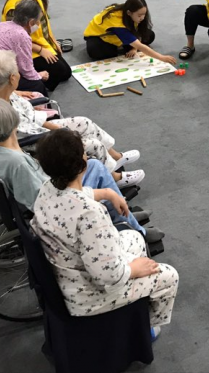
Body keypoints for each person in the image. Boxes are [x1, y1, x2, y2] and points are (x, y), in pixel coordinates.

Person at [31, 129, 179, 333]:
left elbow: (74, 195)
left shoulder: (47, 188)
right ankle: (147, 331)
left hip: (67, 274)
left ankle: (134, 312)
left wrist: (107, 193)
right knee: (169, 276)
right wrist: (133, 270)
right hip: (88, 295)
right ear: (82, 164)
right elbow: (108, 276)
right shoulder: (90, 214)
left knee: (134, 236)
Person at [0, 98, 164, 243]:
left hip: (45, 189)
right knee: (95, 168)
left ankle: (123, 216)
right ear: (12, 124)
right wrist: (104, 193)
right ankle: (136, 229)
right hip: (55, 205)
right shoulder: (17, 163)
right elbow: (50, 201)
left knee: (93, 166)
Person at [0, 49, 145, 189]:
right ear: (12, 78)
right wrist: (64, 133)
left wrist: (59, 128)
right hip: (34, 143)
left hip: (37, 128)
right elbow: (28, 135)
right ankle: (114, 177)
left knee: (84, 122)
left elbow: (32, 118)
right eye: (17, 72)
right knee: (92, 144)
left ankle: (115, 157)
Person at [2, 0, 71, 91]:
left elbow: (45, 25)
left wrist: (53, 42)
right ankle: (24, 79)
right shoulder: (14, 6)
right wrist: (40, 50)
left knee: (65, 72)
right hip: (25, 50)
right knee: (59, 72)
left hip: (40, 44)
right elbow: (14, 40)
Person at [0, 0, 50, 95]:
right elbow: (27, 71)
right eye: (38, 21)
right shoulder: (22, 35)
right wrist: (40, 75)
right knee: (37, 84)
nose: (39, 24)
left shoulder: (2, 24)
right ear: (31, 22)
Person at [83, 0, 175, 65]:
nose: (142, 18)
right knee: (100, 52)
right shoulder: (117, 23)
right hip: (100, 37)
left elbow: (138, 31)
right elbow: (140, 46)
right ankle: (121, 45)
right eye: (139, 15)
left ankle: (126, 43)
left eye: (144, 14)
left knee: (149, 35)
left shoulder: (131, 11)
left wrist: (134, 48)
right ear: (129, 13)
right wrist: (161, 57)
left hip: (121, 34)